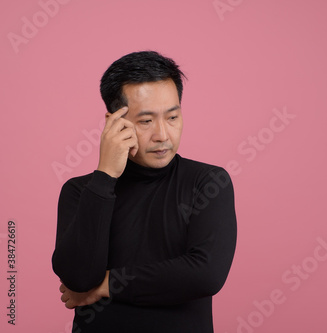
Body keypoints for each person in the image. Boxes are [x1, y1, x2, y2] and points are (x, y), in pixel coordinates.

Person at [52, 51, 237, 333]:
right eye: (146, 121)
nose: (163, 134)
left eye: (172, 117)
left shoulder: (208, 182)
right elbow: (78, 278)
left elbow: (205, 275)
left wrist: (105, 285)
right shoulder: (80, 191)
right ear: (114, 121)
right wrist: (104, 177)